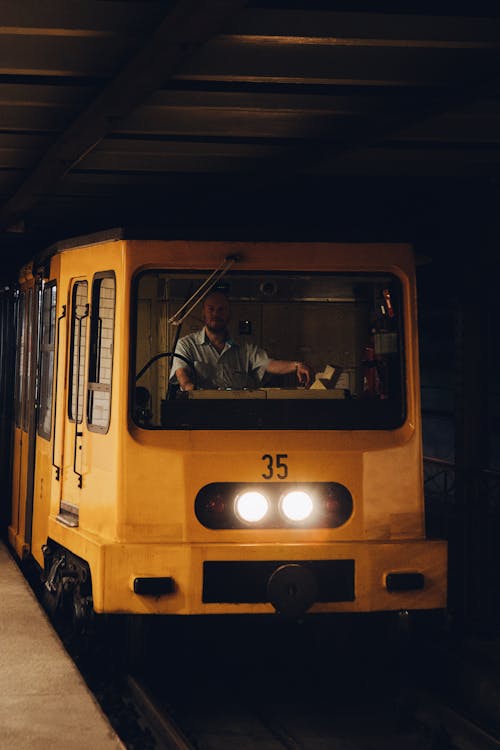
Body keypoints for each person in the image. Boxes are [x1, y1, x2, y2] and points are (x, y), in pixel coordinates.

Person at [171, 291, 314, 391]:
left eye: (221, 310)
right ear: (203, 313)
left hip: (238, 413)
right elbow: (183, 378)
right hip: (199, 413)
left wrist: (297, 365)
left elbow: (269, 363)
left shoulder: (245, 348)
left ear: (229, 314)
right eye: (211, 309)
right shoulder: (186, 345)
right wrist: (192, 389)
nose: (216, 314)